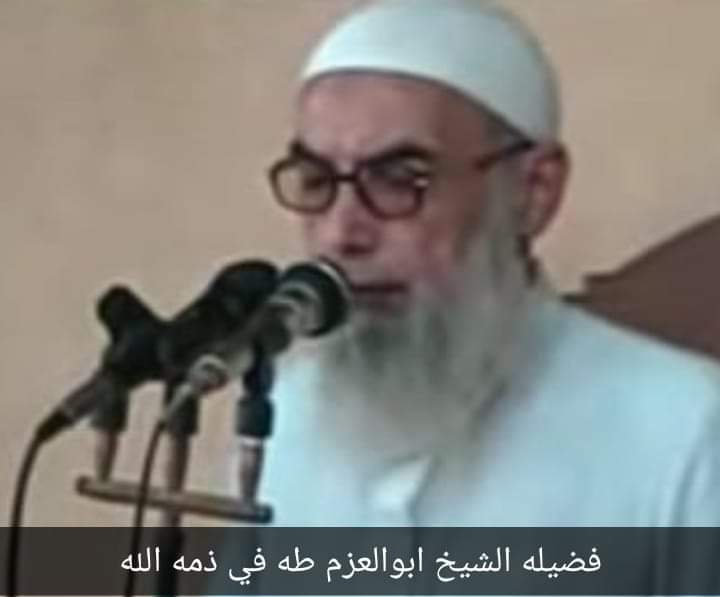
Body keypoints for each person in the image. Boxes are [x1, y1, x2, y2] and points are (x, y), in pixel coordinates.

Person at [254, 0, 720, 528]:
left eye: (400, 180)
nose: (341, 233)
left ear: (532, 191)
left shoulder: (684, 430)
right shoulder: (282, 416)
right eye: (316, 181)